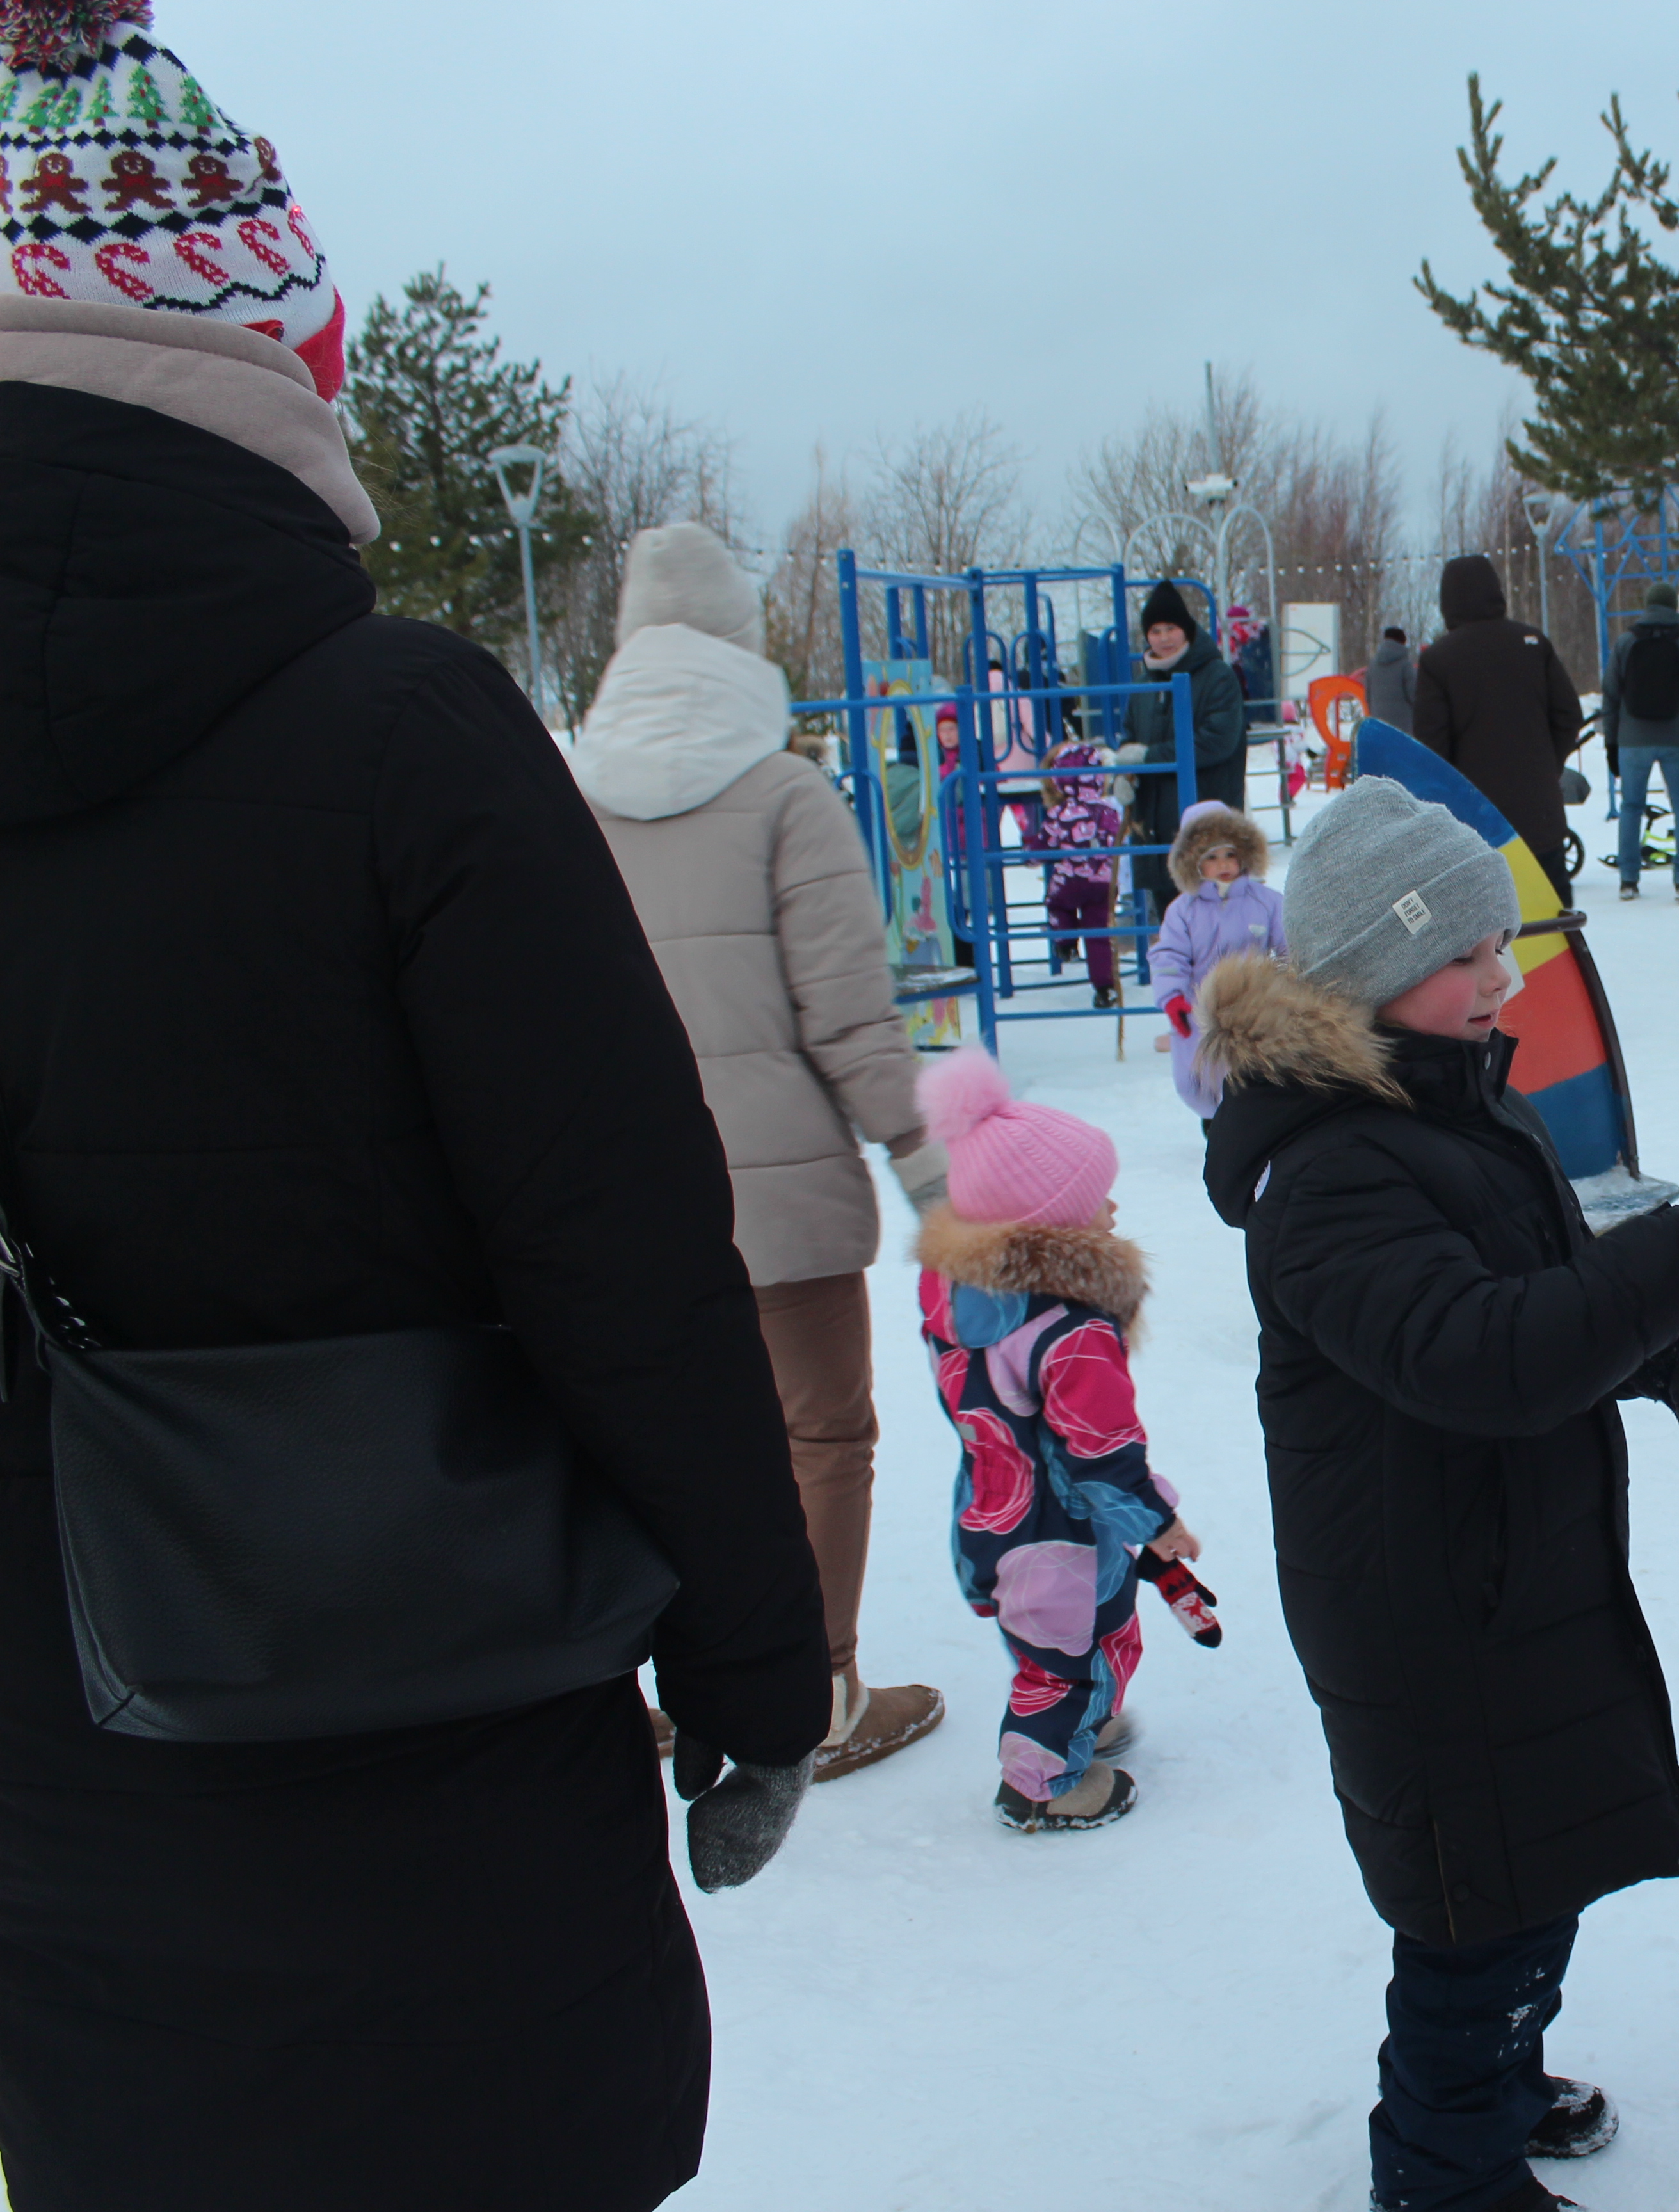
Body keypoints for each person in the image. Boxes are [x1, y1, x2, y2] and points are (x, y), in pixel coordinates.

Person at [0, 14, 828, 2204]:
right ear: (286, 354)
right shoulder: (407, 736)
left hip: (63, 1776)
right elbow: (620, 1242)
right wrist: (752, 1655)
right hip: (442, 1723)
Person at [1195, 776, 1679, 2212]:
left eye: (1500, 943)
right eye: (1469, 953)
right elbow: (1480, 1357)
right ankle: (1443, 2169)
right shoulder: (1331, 1173)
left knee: (1535, 1874)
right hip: (1425, 1613)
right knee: (1478, 1915)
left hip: (1500, 1571)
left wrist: (1639, 1354)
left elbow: (1516, 1295)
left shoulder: (1452, 1103)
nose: (1503, 974)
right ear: (1379, 972)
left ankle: (1501, 2081)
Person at [576, 522, 951, 1781]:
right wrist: (923, 1160)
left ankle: (640, 1692)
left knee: (642, 1443)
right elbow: (846, 1010)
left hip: (617, 1203)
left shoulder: (560, 797)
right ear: (743, 649)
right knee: (819, 1436)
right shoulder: (786, 794)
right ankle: (820, 1695)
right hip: (782, 1197)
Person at [910, 1050, 1200, 1831]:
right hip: (1061, 1531)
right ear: (1049, 1226)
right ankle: (1044, 1785)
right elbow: (1100, 1446)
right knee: (1071, 1659)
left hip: (993, 1510)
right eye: (1092, 1196)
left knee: (1053, 1646)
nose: (1110, 1206)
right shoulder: (1069, 1330)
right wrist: (1157, 1522)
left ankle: (1081, 1722)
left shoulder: (962, 1292)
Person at [1410, 553, 1587, 900]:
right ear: (1497, 591)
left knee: (1492, 941)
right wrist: (1546, 766)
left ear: (1447, 602)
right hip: (1541, 819)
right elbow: (1569, 715)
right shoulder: (1533, 644)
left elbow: (1432, 749)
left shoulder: (1439, 660)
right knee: (1555, 930)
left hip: (1476, 826)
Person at [1146, 799, 1288, 1116]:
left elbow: (1288, 948)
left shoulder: (1266, 903)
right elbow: (1170, 955)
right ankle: (1213, 1118)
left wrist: (1288, 988)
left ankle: (1249, 1118)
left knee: (1254, 1075)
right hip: (1200, 1009)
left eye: (1230, 854)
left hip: (1253, 1009)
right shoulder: (1184, 911)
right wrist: (1172, 998)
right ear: (1193, 862)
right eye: (1211, 857)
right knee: (1202, 1073)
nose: (1223, 863)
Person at [1123, 580, 1248, 917]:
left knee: (1217, 921)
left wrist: (1148, 758)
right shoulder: (1143, 685)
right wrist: (1125, 770)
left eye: (1171, 628)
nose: (1163, 638)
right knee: (1170, 926)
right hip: (1155, 826)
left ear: (1187, 631)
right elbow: (1130, 735)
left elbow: (1216, 741)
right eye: (1155, 630)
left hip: (1206, 820)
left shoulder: (1217, 677)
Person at [1608, 582, 1679, 904]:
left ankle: (1628, 878)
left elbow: (1611, 695)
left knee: (1631, 807)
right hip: (1678, 737)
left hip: (1633, 739)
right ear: (1675, 608)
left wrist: (1611, 745)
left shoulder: (1626, 642)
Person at [1026, 721, 1129, 1004]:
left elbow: (1046, 843)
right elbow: (1119, 835)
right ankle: (1105, 988)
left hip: (1073, 878)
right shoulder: (1109, 809)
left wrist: (1031, 857)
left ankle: (1066, 943)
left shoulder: (1062, 812)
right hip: (1105, 882)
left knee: (1057, 903)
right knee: (1099, 934)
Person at [1365, 623, 1418, 732]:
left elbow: (1368, 696)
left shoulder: (1373, 665)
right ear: (1402, 642)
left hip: (1379, 723)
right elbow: (1414, 695)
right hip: (1402, 726)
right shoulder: (1405, 664)